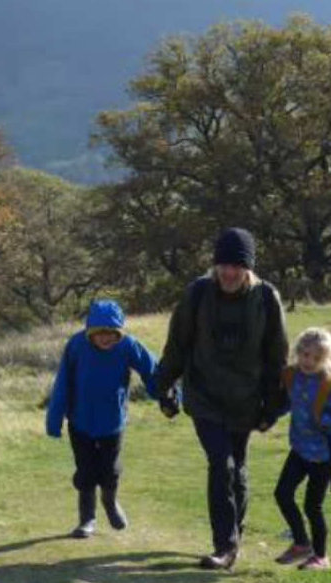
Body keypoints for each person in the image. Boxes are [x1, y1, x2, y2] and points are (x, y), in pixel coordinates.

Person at [155, 227, 289, 570]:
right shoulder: (197, 294)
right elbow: (178, 344)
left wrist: (272, 406)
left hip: (246, 400)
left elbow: (276, 356)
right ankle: (225, 546)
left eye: (236, 266)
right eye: (223, 265)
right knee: (221, 464)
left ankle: (233, 535)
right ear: (214, 265)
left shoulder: (266, 299)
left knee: (238, 467)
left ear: (248, 267)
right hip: (205, 397)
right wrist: (164, 386)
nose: (228, 272)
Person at [46, 299, 161, 538]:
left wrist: (167, 396)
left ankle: (110, 503)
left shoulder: (128, 346)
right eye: (100, 333)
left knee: (110, 471)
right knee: (86, 472)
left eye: (111, 333)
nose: (106, 338)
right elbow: (62, 384)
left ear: (119, 332)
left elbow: (153, 370)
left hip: (112, 422)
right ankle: (87, 519)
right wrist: (54, 419)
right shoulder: (76, 346)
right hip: (80, 421)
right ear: (90, 332)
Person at [272, 327, 331, 571]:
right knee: (282, 494)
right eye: (304, 354)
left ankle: (321, 557)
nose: (308, 361)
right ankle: (302, 543)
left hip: (323, 456)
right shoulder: (292, 376)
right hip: (299, 450)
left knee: (312, 507)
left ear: (326, 359)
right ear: (297, 353)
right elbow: (290, 403)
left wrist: (329, 421)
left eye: (315, 358)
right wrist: (267, 417)